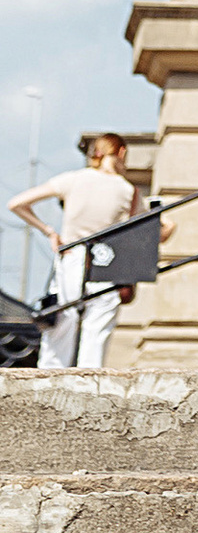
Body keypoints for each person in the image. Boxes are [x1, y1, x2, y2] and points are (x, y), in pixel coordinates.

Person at [9, 132, 141, 373]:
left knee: (62, 325)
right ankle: (89, 383)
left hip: (72, 258)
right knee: (96, 331)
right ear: (121, 152)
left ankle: (48, 384)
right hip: (106, 262)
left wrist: (49, 231)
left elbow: (17, 203)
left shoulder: (73, 179)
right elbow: (144, 231)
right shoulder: (128, 190)